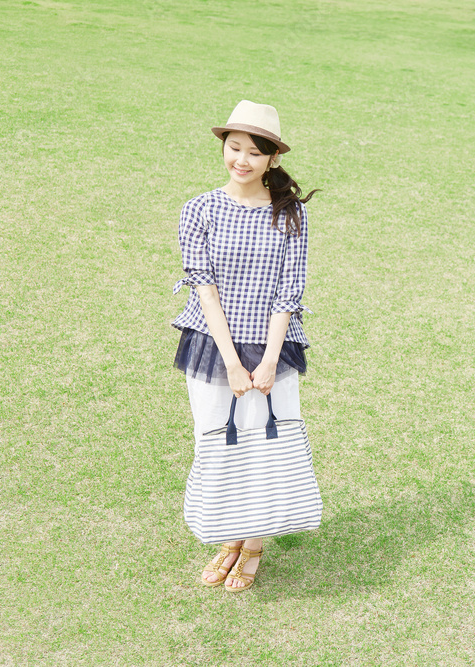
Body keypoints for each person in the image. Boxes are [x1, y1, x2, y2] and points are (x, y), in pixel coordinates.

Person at [171, 100, 318, 592]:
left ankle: (252, 546)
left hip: (275, 344)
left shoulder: (290, 213)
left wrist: (271, 359)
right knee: (216, 442)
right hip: (213, 347)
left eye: (255, 152)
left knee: (265, 446)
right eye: (234, 148)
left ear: (272, 159)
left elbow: (288, 291)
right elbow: (203, 287)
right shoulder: (200, 209)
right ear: (223, 148)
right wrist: (234, 362)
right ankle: (228, 538)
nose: (242, 160)